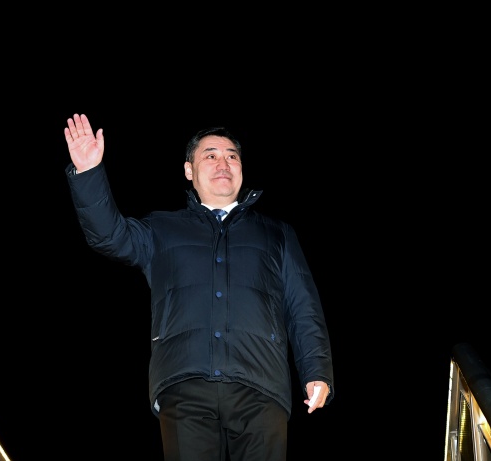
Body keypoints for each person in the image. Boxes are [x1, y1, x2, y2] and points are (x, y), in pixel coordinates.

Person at [63, 113, 334, 461]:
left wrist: (316, 371)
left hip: (261, 385)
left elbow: (303, 307)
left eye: (232, 156)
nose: (223, 163)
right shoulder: (162, 228)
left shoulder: (276, 234)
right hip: (184, 382)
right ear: (189, 170)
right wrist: (88, 172)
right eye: (210, 155)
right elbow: (108, 236)